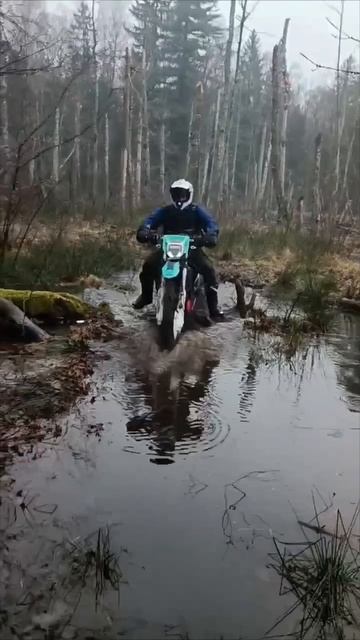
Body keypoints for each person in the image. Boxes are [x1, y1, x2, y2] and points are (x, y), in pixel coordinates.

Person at [133, 179, 224, 321]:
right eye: (176, 194)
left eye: (183, 194)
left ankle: (213, 308)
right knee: (148, 266)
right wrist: (145, 231)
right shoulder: (165, 211)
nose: (180, 198)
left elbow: (211, 223)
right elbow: (150, 220)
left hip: (192, 248)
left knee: (209, 270)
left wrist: (210, 235)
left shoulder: (196, 210)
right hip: (167, 248)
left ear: (190, 195)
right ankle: (146, 296)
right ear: (172, 195)